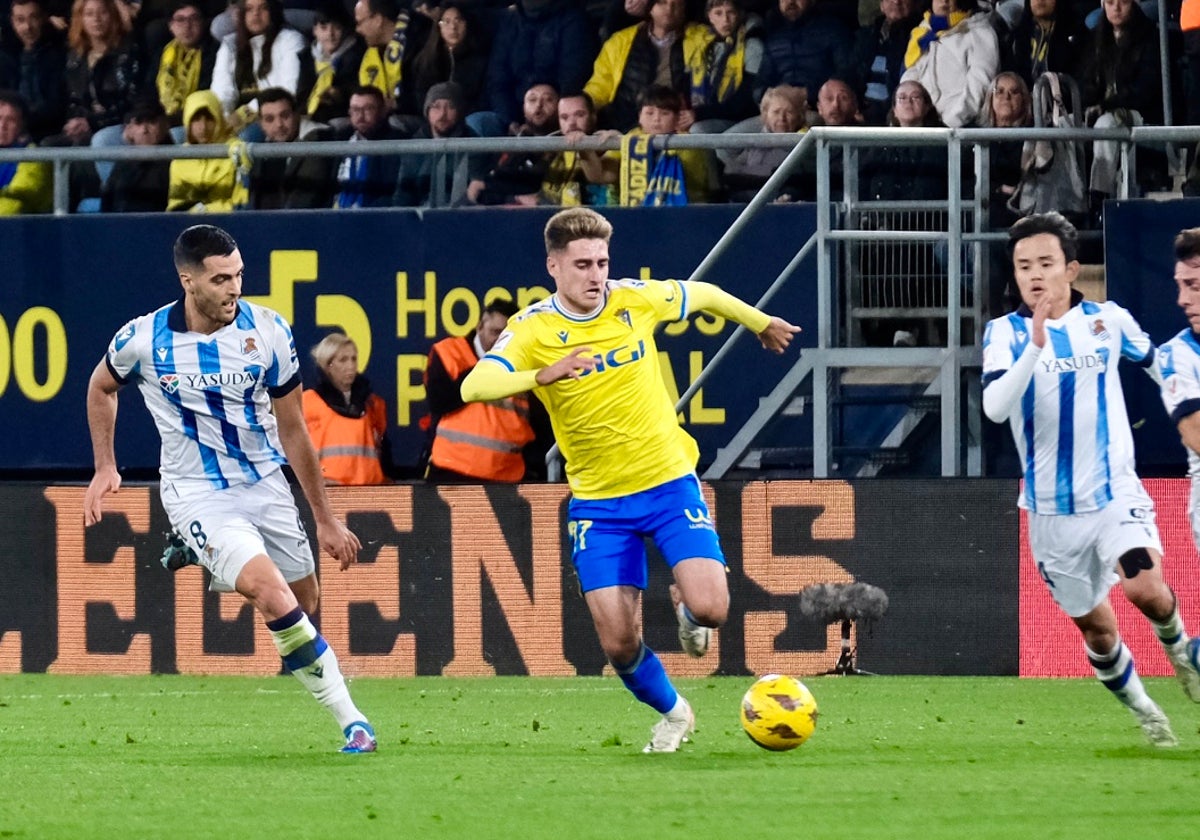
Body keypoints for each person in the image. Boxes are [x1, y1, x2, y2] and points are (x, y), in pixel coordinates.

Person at [460, 207, 800, 752]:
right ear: (553, 266)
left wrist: (758, 322)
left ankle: (687, 609)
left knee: (713, 609)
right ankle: (673, 713)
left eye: (602, 262)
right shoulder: (532, 328)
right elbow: (474, 387)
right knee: (619, 644)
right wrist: (538, 375)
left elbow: (704, 294)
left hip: (668, 483)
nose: (596, 276)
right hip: (599, 504)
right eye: (582, 265)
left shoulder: (631, 298)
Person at [83, 224, 377, 754]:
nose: (235, 288)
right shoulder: (143, 339)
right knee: (271, 594)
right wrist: (106, 465)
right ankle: (353, 721)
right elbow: (101, 385)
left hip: (265, 482)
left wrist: (325, 519)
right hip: (196, 490)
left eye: (239, 275)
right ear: (188, 281)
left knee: (305, 607)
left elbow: (294, 429)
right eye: (221, 279)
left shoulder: (269, 331)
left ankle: (200, 552)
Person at [981, 211, 1200, 747]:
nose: (1034, 275)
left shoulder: (1109, 321)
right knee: (1098, 632)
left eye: (1045, 264)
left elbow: (1159, 364)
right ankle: (1150, 715)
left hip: (1114, 492)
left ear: (1072, 269)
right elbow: (994, 408)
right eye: (1023, 265)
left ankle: (1178, 647)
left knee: (1145, 589)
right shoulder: (1004, 335)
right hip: (1051, 515)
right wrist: (1034, 346)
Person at [424, 299, 546, 482]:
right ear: (480, 325)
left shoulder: (524, 364)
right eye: (495, 332)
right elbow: (439, 401)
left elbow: (539, 425)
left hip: (507, 477)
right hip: (451, 473)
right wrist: (487, 364)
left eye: (506, 336)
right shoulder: (449, 352)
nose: (499, 341)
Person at [584, 0, 711, 132]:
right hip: (627, 126)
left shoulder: (703, 38)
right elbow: (600, 86)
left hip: (678, 128)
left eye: (677, 4)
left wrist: (698, 113)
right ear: (649, 7)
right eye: (662, 3)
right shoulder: (620, 42)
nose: (669, 9)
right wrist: (581, 106)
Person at [1159, 229, 1200, 633]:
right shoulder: (1176, 355)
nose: (1182, 300)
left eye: (1194, 286)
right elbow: (1196, 434)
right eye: (1180, 286)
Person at [303, 332, 390, 485]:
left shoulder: (373, 404)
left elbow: (384, 453)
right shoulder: (307, 402)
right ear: (328, 365)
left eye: (353, 359)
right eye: (343, 360)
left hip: (371, 491)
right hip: (328, 491)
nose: (350, 365)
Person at [210, 0, 309, 130]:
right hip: (233, 119)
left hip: (272, 117)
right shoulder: (230, 45)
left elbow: (287, 91)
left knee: (241, 140)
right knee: (179, 134)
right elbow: (221, 91)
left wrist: (246, 112)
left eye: (263, 8)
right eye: (249, 9)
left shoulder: (291, 40)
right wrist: (223, 119)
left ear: (273, 12)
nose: (256, 14)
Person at [393, 81, 487, 207]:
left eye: (450, 107)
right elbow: (403, 194)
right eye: (436, 106)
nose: (442, 114)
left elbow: (473, 193)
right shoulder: (415, 146)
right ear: (427, 111)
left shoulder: (474, 146)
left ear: (459, 111)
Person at [248, 86, 336, 209]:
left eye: (284, 116)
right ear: (261, 124)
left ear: (297, 114)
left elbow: (305, 200)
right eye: (270, 119)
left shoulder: (318, 140)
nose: (279, 125)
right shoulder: (264, 150)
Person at [718, 83, 807, 202]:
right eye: (776, 112)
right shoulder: (754, 143)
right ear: (766, 115)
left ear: (798, 116)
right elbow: (731, 173)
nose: (782, 118)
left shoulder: (805, 144)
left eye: (789, 112)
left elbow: (802, 181)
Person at [841, 0, 921, 126]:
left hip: (895, 113)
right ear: (881, 5)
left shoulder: (920, 36)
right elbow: (850, 73)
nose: (896, 1)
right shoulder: (866, 36)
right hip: (860, 110)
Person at [167, 88, 249, 211]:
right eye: (196, 119)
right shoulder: (179, 158)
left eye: (209, 119)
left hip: (228, 224)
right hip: (188, 225)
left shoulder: (237, 150)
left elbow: (240, 203)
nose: (203, 127)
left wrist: (205, 211)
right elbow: (175, 207)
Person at [0, 0, 68, 142]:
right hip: (10, 131)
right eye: (20, 20)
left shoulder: (59, 55)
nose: (27, 27)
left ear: (43, 18)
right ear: (12, 22)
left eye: (33, 18)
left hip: (47, 132)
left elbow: (57, 106)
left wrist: (24, 122)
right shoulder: (5, 58)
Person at [149, 0, 219, 127]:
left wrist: (167, 122)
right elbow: (148, 91)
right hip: (161, 119)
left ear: (203, 22)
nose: (187, 26)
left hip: (198, 120)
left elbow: (204, 95)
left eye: (194, 19)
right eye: (180, 20)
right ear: (170, 25)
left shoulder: (214, 52)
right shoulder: (163, 53)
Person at [334, 84, 404, 207]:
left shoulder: (397, 142)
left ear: (383, 111)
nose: (360, 116)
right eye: (355, 110)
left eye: (368, 109)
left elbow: (392, 194)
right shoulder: (339, 139)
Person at [100, 98, 173, 212]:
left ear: (165, 125)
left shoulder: (176, 164)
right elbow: (107, 206)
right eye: (138, 123)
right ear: (129, 129)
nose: (144, 130)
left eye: (151, 122)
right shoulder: (122, 164)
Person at [306, 0, 365, 124]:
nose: (330, 34)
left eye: (337, 27)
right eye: (324, 28)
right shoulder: (306, 58)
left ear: (345, 29)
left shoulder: (357, 56)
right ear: (314, 30)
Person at [0, 90, 51, 214]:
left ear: (21, 125)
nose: (3, 126)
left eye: (11, 120)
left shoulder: (33, 157)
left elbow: (15, 204)